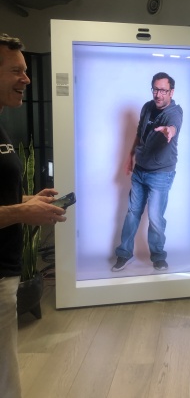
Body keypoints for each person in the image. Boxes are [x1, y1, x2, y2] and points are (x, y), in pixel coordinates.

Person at [0, 33, 67, 398]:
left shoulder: (2, 126)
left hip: (7, 273)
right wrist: (23, 210)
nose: (26, 79)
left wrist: (28, 199)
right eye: (16, 71)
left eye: (26, 71)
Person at [112, 72, 183, 272]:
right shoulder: (147, 107)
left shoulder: (174, 112)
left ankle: (158, 256)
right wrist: (130, 156)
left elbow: (174, 126)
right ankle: (124, 254)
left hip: (160, 174)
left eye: (163, 90)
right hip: (140, 171)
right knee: (132, 214)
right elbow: (139, 134)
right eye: (156, 89)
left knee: (155, 217)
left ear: (171, 91)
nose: (158, 94)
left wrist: (170, 131)